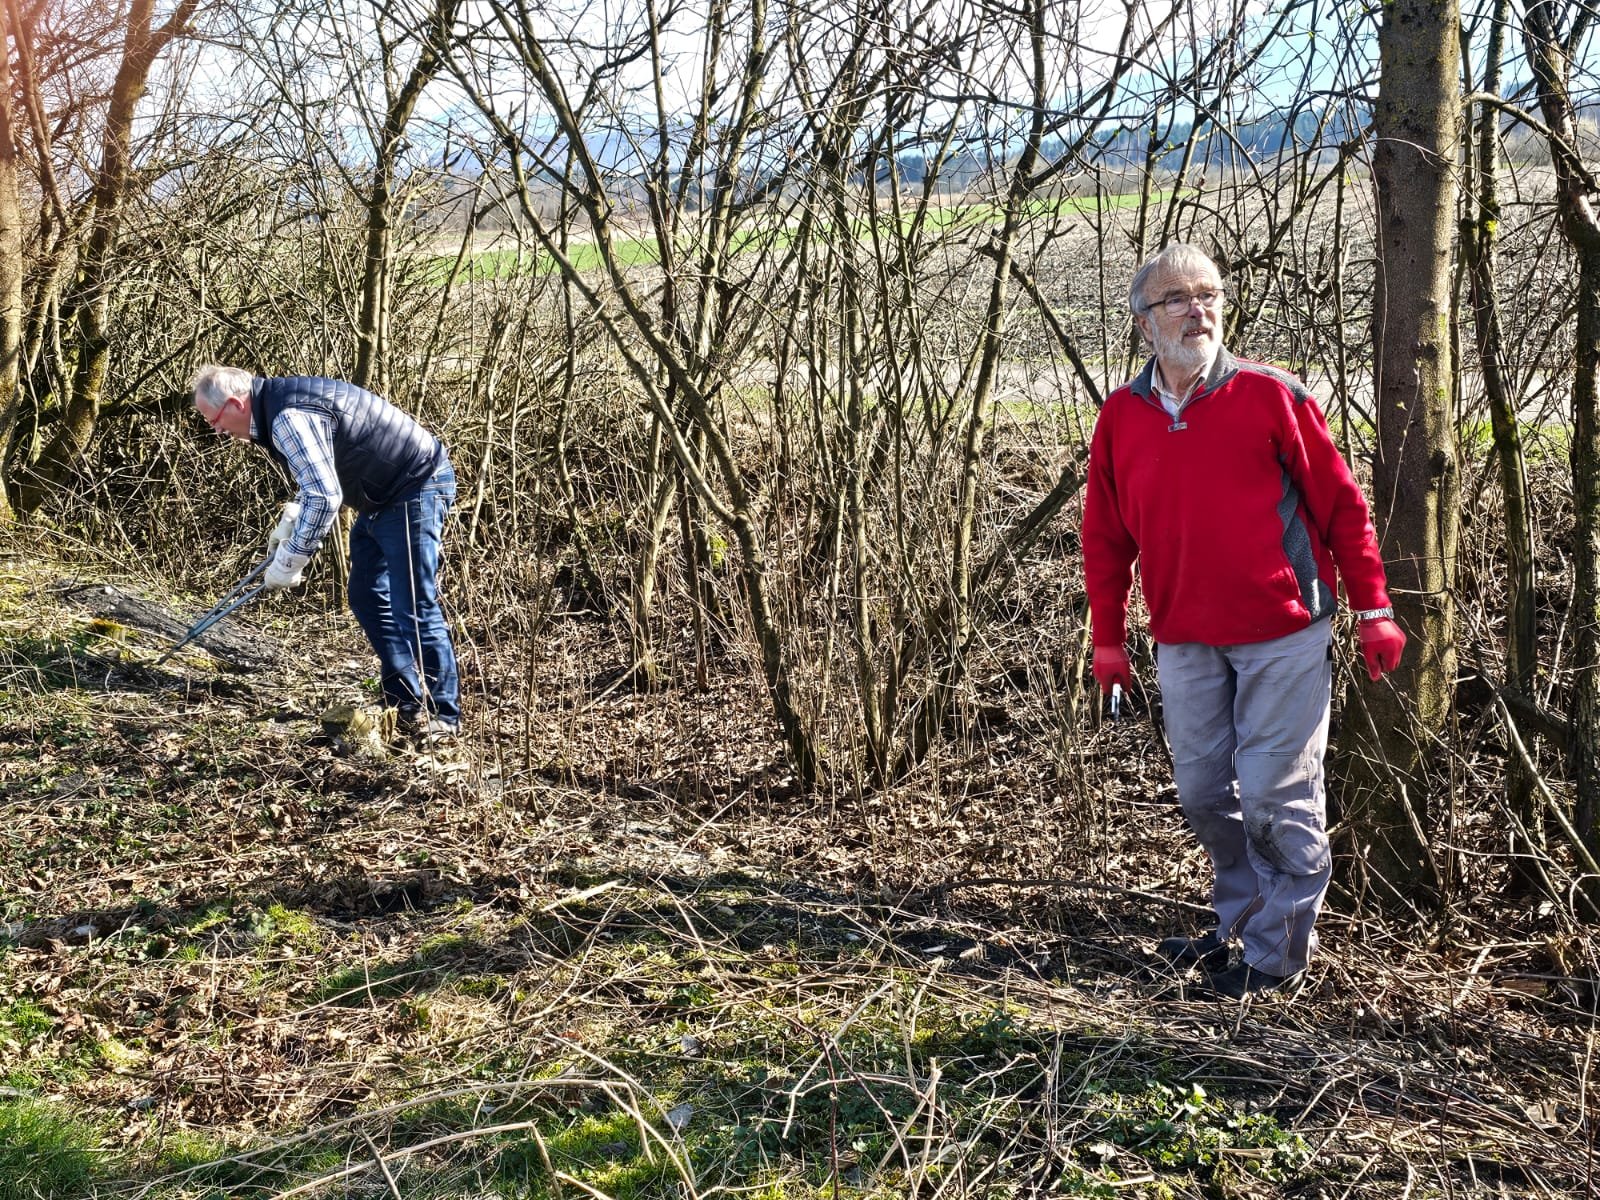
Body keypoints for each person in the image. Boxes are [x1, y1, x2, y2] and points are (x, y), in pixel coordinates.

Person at [1081, 244, 1406, 999]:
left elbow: (1343, 508)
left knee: (1273, 793)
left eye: (1209, 295)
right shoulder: (1122, 416)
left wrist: (1374, 609)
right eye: (1177, 298)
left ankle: (1274, 958)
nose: (1198, 310)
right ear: (1144, 324)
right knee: (1203, 793)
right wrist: (1108, 638)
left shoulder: (1272, 395)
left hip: (1284, 631)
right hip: (1184, 635)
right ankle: (1242, 919)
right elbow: (1105, 537)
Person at [190, 364, 461, 742]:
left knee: (412, 604)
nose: (217, 431)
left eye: (214, 420)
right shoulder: (277, 406)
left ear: (236, 404)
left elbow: (325, 495)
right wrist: (293, 518)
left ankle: (445, 717)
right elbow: (316, 473)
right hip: (381, 496)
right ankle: (404, 700)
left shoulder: (285, 416)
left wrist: (292, 557)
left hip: (415, 486)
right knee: (366, 596)